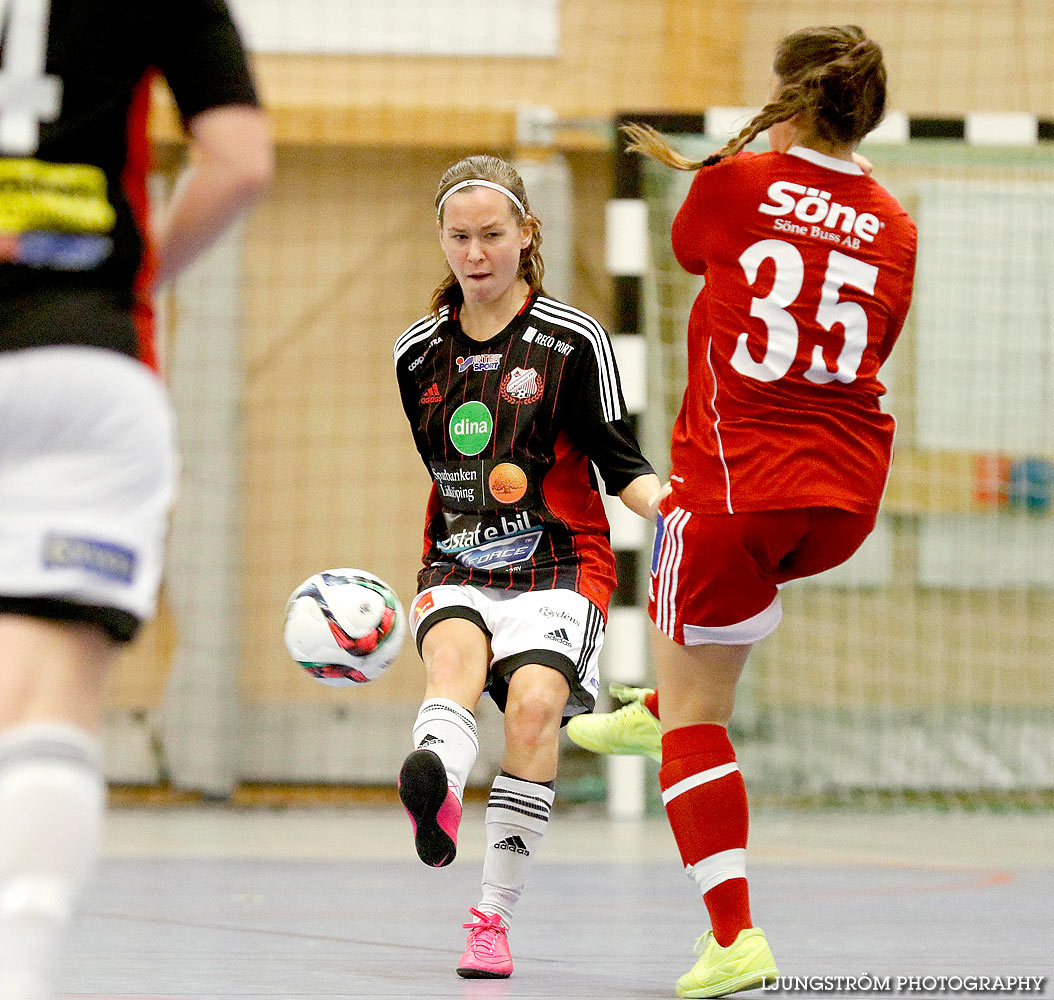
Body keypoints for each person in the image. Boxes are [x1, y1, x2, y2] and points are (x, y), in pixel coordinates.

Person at [566, 24, 917, 999]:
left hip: (732, 492)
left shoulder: (734, 184)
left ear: (788, 98)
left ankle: (733, 937)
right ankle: (666, 710)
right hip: (844, 499)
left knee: (696, 719)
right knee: (698, 680)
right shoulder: (895, 220)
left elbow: (686, 249)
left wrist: (732, 161)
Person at [0, 3, 272, 998]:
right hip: (83, 358)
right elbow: (239, 160)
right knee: (44, 703)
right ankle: (17, 974)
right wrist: (141, 275)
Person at [393, 154, 660, 979]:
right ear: (442, 240)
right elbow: (446, 475)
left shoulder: (572, 341)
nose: (476, 253)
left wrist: (679, 512)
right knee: (453, 664)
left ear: (526, 235)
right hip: (457, 561)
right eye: (460, 237)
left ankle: (490, 918)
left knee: (535, 712)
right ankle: (435, 784)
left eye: (493, 236)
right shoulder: (415, 356)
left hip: (559, 563)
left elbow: (623, 465)